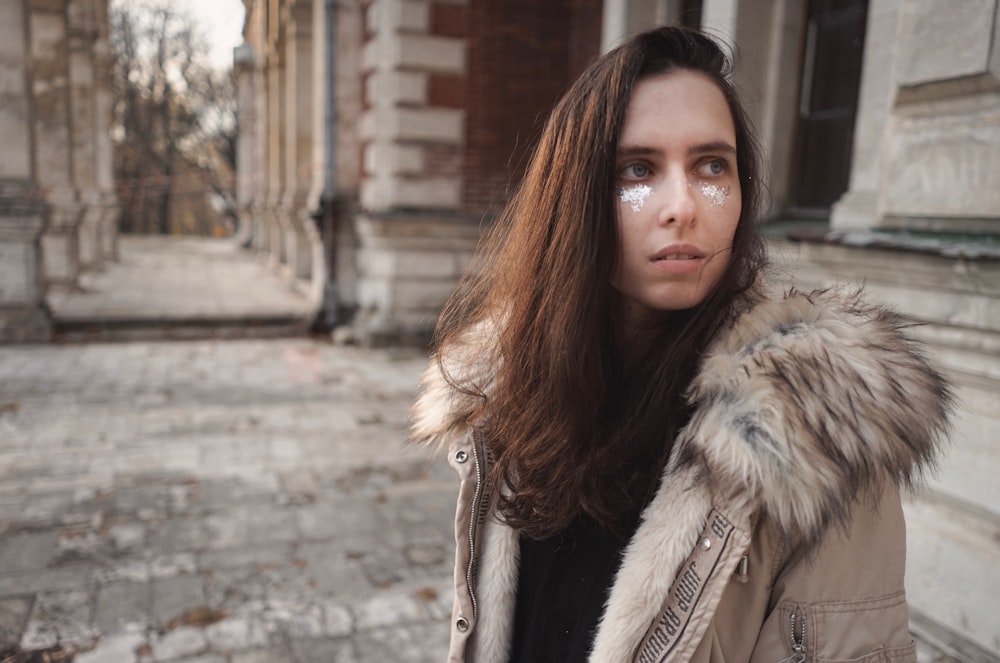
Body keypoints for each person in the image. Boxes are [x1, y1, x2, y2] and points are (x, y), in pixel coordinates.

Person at [410, 25, 951, 663]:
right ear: (575, 197)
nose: (682, 205)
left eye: (711, 166)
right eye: (637, 169)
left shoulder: (818, 436)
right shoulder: (510, 395)